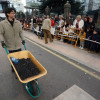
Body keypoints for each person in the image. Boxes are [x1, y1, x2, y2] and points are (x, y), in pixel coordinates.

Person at [0, 8, 25, 72]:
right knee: (13, 59)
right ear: (7, 14)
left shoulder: (18, 22)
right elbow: (1, 33)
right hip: (10, 45)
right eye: (12, 13)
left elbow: (20, 32)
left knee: (19, 58)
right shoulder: (2, 23)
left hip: (18, 45)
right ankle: (14, 68)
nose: (14, 14)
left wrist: (23, 39)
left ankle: (18, 70)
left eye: (14, 13)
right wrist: (2, 41)